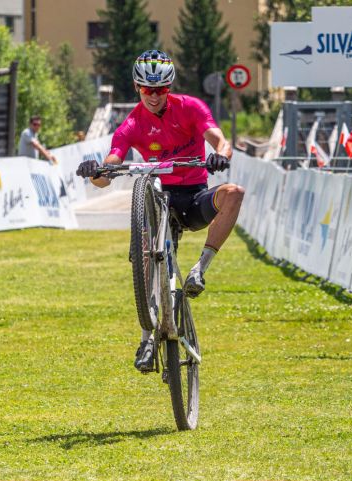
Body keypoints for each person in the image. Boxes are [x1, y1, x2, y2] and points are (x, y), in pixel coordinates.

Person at [75, 50, 245, 372]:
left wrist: (220, 155)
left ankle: (199, 270)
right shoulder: (131, 124)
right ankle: (146, 337)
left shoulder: (191, 107)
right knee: (144, 255)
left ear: (169, 87)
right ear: (137, 88)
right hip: (159, 198)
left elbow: (219, 139)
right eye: (146, 90)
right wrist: (97, 170)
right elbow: (112, 164)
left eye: (160, 90)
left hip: (193, 195)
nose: (153, 96)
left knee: (234, 193)